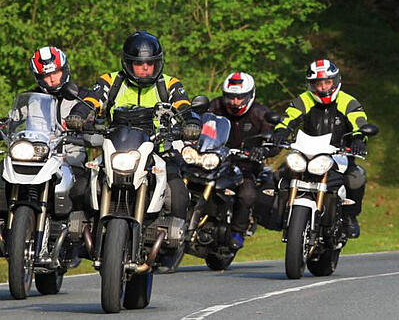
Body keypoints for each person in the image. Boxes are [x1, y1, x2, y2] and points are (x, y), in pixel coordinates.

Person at [67, 31, 200, 229]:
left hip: (158, 150)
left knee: (179, 193)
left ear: (158, 63)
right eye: (139, 64)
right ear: (128, 64)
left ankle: (172, 238)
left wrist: (191, 123)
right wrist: (77, 115)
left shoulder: (169, 84)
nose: (145, 68)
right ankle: (78, 233)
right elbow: (91, 100)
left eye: (150, 64)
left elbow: (183, 105)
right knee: (79, 188)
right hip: (115, 148)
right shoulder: (111, 81)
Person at [1, 47, 90, 252]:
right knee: (3, 174)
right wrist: (5, 125)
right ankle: (8, 226)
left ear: (64, 70)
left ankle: (78, 236)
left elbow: (96, 116)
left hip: (69, 158)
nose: (52, 80)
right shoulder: (33, 98)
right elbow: (13, 119)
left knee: (82, 189)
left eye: (55, 73)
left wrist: (92, 124)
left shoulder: (82, 97)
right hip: (38, 158)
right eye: (46, 76)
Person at [271, 59, 370, 238]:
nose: (323, 87)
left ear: (336, 81)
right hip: (306, 153)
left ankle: (350, 218)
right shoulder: (304, 99)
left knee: (356, 178)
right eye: (318, 83)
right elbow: (288, 118)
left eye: (327, 82)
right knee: (280, 174)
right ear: (311, 85)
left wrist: (358, 140)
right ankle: (279, 214)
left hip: (339, 154)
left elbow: (359, 123)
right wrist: (280, 132)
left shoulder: (349, 102)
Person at [208, 72, 279, 249]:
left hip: (245, 166)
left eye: (240, 97)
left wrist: (263, 150)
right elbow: (198, 121)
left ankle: (238, 232)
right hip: (214, 160)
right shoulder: (215, 106)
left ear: (250, 95)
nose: (235, 102)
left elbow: (275, 140)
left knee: (247, 194)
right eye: (230, 97)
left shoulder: (261, 113)